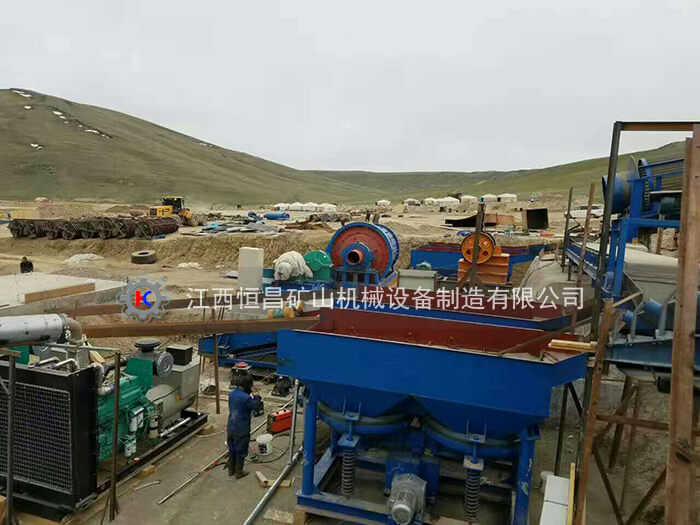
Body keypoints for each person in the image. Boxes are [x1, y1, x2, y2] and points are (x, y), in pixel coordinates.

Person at [227, 374, 262, 478]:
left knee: (232, 448)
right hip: (241, 429)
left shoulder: (232, 394)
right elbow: (256, 406)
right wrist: (257, 396)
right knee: (241, 450)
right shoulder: (246, 398)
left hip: (231, 427)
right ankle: (239, 472)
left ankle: (231, 469)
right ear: (248, 385)